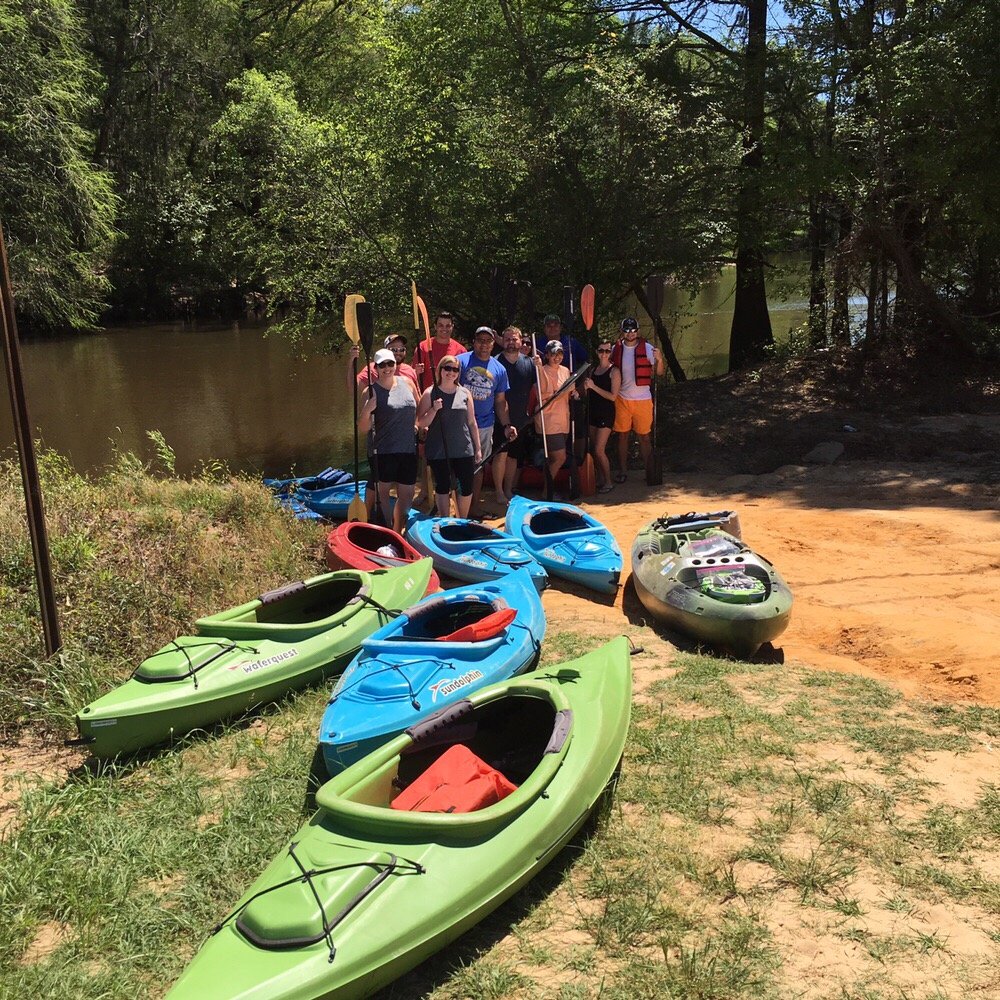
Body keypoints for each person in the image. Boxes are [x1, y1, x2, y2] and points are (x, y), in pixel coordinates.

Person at [357, 349, 421, 533]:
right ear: (376, 368)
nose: (387, 368)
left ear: (395, 364)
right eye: (382, 365)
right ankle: (387, 530)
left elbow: (417, 408)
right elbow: (363, 428)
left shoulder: (408, 382)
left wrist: (418, 426)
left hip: (408, 448)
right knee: (383, 494)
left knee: (407, 494)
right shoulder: (370, 392)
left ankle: (398, 529)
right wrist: (367, 411)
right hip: (382, 451)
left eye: (390, 364)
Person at [458, 326, 516, 517]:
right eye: (480, 340)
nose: (484, 344)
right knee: (456, 466)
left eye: (488, 341)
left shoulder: (499, 369)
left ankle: (473, 508)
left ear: (493, 343)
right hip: (459, 424)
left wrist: (507, 426)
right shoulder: (461, 362)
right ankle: (455, 510)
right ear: (474, 342)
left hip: (484, 425)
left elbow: (500, 401)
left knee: (478, 466)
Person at [416, 355, 481, 518]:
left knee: (466, 487)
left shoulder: (465, 393)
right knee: (443, 486)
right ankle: (445, 519)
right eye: (448, 368)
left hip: (463, 449)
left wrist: (478, 448)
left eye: (455, 369)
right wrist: (434, 409)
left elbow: (472, 422)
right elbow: (420, 422)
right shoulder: (430, 393)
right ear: (440, 370)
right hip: (439, 450)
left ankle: (462, 520)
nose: (451, 373)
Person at [611, 317, 664, 482]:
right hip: (622, 399)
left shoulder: (648, 349)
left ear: (638, 331)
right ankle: (623, 471)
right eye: (627, 330)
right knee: (622, 436)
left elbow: (659, 373)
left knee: (644, 436)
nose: (630, 334)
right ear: (622, 332)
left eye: (633, 330)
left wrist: (660, 359)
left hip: (643, 399)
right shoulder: (615, 349)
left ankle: (650, 471)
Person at [491, 326, 536, 505]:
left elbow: (535, 389)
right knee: (501, 454)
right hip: (499, 418)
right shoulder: (495, 362)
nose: (511, 342)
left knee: (513, 456)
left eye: (514, 339)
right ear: (502, 341)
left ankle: (508, 489)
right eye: (507, 339)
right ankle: (499, 491)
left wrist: (533, 413)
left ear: (520, 341)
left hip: (521, 418)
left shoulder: (529, 362)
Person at [529, 340, 578, 495]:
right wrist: (538, 367)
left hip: (563, 419)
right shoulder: (542, 370)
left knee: (553, 459)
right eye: (553, 354)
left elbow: (571, 390)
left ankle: (548, 488)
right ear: (547, 355)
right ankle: (546, 491)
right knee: (560, 457)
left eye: (560, 353)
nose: (557, 357)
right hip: (548, 420)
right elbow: (543, 389)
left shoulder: (565, 370)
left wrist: (574, 393)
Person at [580, 340, 621, 493]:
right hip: (592, 412)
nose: (604, 354)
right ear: (597, 352)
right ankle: (600, 479)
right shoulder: (592, 370)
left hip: (606, 413)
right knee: (592, 447)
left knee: (599, 449)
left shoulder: (614, 371)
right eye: (601, 351)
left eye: (607, 351)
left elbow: (612, 396)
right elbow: (586, 392)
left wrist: (593, 387)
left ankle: (609, 482)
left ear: (611, 353)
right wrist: (583, 390)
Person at [412, 312, 466, 392]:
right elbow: (413, 375)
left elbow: (462, 378)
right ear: (435, 326)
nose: (444, 328)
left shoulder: (461, 350)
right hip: (427, 396)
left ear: (452, 327)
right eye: (441, 325)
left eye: (448, 326)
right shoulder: (423, 347)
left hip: (452, 396)